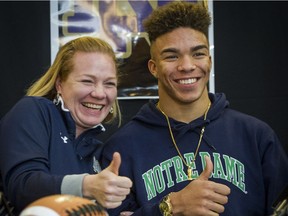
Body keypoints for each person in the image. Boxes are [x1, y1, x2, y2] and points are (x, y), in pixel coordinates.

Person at [101, 2, 288, 216]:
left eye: (198, 54)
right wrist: (170, 207)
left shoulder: (256, 136)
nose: (187, 66)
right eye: (172, 56)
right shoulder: (122, 148)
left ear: (209, 60)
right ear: (153, 67)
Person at [0, 36, 132, 215]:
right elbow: (22, 187)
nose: (100, 93)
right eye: (87, 81)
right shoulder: (34, 110)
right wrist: (87, 185)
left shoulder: (99, 151)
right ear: (59, 84)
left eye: (109, 84)